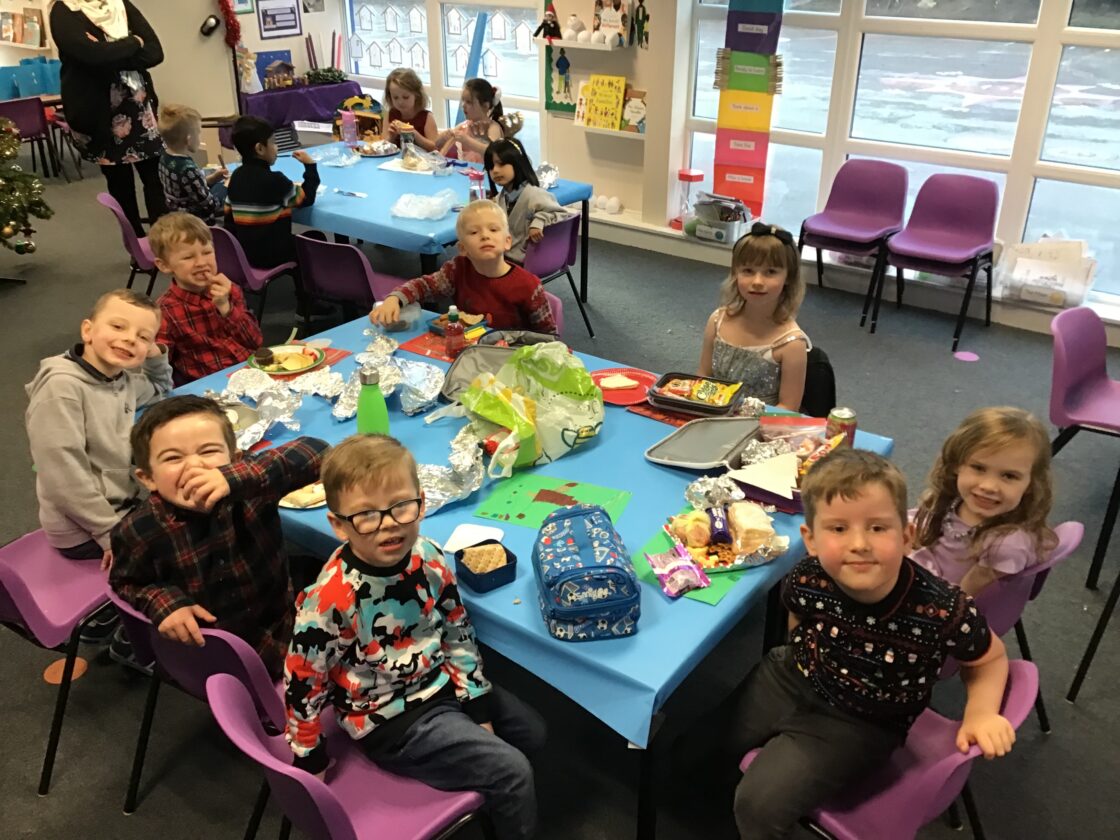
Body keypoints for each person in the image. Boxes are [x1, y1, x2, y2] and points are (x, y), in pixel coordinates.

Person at [722, 449, 1015, 839]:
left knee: (758, 805)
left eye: (878, 528)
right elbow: (797, 617)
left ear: (906, 536)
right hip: (790, 675)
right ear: (810, 540)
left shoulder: (943, 609)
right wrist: (801, 655)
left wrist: (980, 713)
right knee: (697, 752)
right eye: (838, 529)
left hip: (862, 721)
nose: (859, 543)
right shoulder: (807, 576)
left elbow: (989, 659)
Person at [285, 434, 546, 840]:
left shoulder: (429, 556)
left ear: (421, 503)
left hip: (439, 682)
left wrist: (475, 702)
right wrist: (309, 753)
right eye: (366, 515)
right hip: (391, 719)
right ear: (338, 525)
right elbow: (304, 677)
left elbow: (457, 628)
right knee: (512, 772)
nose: (389, 523)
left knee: (534, 733)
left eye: (401, 507)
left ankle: (492, 799)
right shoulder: (331, 599)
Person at [110, 395, 329, 679]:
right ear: (148, 478)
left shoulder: (252, 489)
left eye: (209, 451)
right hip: (220, 656)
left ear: (236, 460)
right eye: (173, 458)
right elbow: (125, 581)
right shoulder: (139, 529)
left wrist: (238, 477)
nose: (195, 467)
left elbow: (319, 452)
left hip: (284, 620)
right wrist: (163, 603)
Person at [24, 288, 172, 650]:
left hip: (118, 506)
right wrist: (109, 533)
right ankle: (131, 635)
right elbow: (62, 478)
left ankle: (126, 610)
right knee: (177, 548)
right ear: (87, 330)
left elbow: (160, 388)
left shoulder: (120, 378)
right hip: (83, 529)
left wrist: (155, 356)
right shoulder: (62, 389)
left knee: (184, 520)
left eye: (143, 337)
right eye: (118, 327)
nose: (130, 339)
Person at [50, 0, 168, 237]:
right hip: (99, 112)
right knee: (120, 184)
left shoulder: (120, 4)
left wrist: (107, 52)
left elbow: (155, 52)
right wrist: (133, 43)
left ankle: (165, 241)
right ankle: (136, 242)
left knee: (154, 179)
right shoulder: (64, 10)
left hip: (139, 110)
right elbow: (89, 55)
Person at [912, 406, 1057, 597]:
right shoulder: (955, 498)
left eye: (1009, 476)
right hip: (922, 567)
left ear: (1031, 483)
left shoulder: (1005, 545)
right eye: (978, 468)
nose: (989, 486)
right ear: (956, 464)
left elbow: (961, 600)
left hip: (935, 599)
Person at [369, 200, 556, 333]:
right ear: (463, 248)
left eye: (493, 229)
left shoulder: (528, 286)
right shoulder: (457, 270)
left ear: (507, 241)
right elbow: (424, 286)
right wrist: (394, 298)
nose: (485, 236)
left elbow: (549, 337)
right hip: (468, 351)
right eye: (474, 232)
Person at [698, 222, 809, 411]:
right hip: (712, 415)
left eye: (770, 272)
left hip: (761, 425)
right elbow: (703, 377)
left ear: (788, 277)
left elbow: (787, 408)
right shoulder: (717, 321)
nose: (757, 281)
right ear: (736, 273)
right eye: (748, 271)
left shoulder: (792, 344)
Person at [149, 212, 263, 385]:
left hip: (250, 371)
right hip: (210, 386)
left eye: (207, 252)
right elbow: (159, 368)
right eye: (188, 257)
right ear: (164, 265)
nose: (201, 262)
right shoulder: (166, 311)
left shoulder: (229, 289)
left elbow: (255, 341)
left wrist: (227, 309)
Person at [224, 115, 320, 270]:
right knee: (316, 237)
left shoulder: (236, 176)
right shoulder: (275, 180)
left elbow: (228, 214)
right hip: (272, 255)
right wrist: (310, 166)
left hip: (243, 254)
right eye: (273, 142)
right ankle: (305, 285)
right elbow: (306, 198)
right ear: (260, 149)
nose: (277, 147)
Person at [484, 138, 570, 264]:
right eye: (491, 167)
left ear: (517, 163)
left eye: (501, 164)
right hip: (506, 256)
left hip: (524, 261)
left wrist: (538, 221)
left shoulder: (534, 194)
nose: (495, 170)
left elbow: (561, 214)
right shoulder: (500, 199)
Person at [157, 104, 229, 224]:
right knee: (224, 188)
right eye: (199, 133)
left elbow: (189, 187)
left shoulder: (164, 158)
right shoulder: (187, 169)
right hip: (196, 223)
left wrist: (212, 178)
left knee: (218, 184)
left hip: (177, 218)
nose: (200, 137)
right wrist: (226, 188)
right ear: (189, 140)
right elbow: (210, 206)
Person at [437, 78, 505, 164]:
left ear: (485, 106)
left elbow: (494, 154)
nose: (463, 105)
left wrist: (467, 141)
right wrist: (442, 138)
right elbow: (440, 152)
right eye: (463, 100)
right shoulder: (463, 126)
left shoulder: (493, 128)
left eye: (469, 102)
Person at [382, 67, 440, 152]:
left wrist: (414, 134)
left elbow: (435, 147)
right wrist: (391, 137)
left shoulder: (426, 117)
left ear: (416, 95)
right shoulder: (390, 115)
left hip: (422, 159)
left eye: (406, 97)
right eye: (395, 97)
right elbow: (383, 147)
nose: (400, 102)